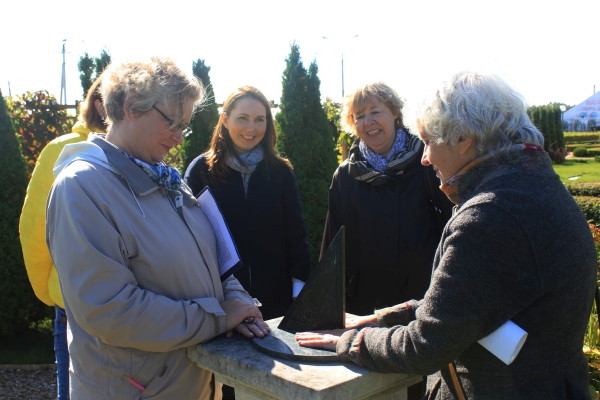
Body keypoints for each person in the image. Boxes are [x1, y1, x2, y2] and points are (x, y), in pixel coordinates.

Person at [296, 71, 598, 399]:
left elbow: (427, 343)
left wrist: (349, 341)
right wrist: (379, 319)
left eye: (427, 140)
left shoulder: (489, 216)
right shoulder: (529, 184)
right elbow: (467, 301)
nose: (424, 157)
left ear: (462, 138)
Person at [46, 58, 266, 400]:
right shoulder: (82, 188)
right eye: (173, 123)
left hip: (186, 385)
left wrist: (240, 305)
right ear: (131, 106)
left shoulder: (169, 180)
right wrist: (218, 318)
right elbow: (110, 310)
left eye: (185, 126)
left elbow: (217, 263)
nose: (179, 138)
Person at [321, 81, 453, 318]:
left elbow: (451, 224)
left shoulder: (427, 162)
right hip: (366, 307)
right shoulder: (345, 176)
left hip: (423, 302)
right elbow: (334, 246)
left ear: (395, 113)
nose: (368, 122)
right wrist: (327, 304)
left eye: (375, 112)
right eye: (359, 116)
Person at [184, 86, 311, 321]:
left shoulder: (280, 172)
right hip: (222, 300)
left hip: (277, 299)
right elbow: (189, 237)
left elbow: (295, 232)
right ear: (225, 120)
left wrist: (299, 287)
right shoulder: (201, 171)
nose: (251, 128)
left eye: (259, 120)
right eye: (243, 118)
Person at [19, 73, 107, 400]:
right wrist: (53, 292)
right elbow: (35, 231)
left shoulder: (140, 156)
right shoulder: (62, 150)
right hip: (72, 309)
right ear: (100, 104)